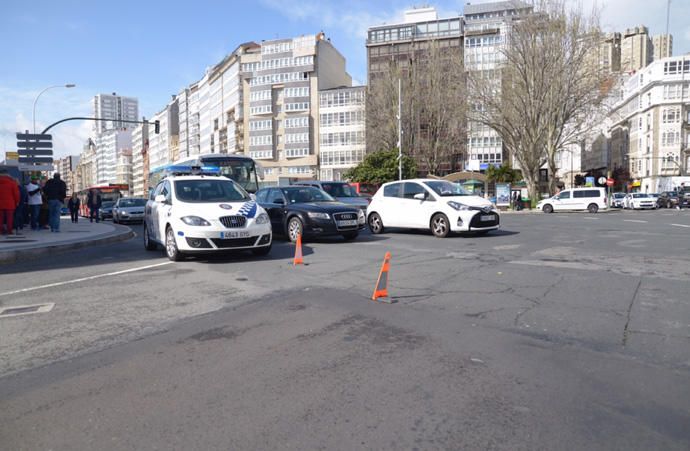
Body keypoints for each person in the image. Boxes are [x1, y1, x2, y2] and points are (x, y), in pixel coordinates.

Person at [0, 169, 20, 235]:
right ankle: (9, 231)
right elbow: (16, 194)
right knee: (9, 218)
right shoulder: (12, 182)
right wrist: (17, 202)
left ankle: (1, 230)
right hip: (10, 203)